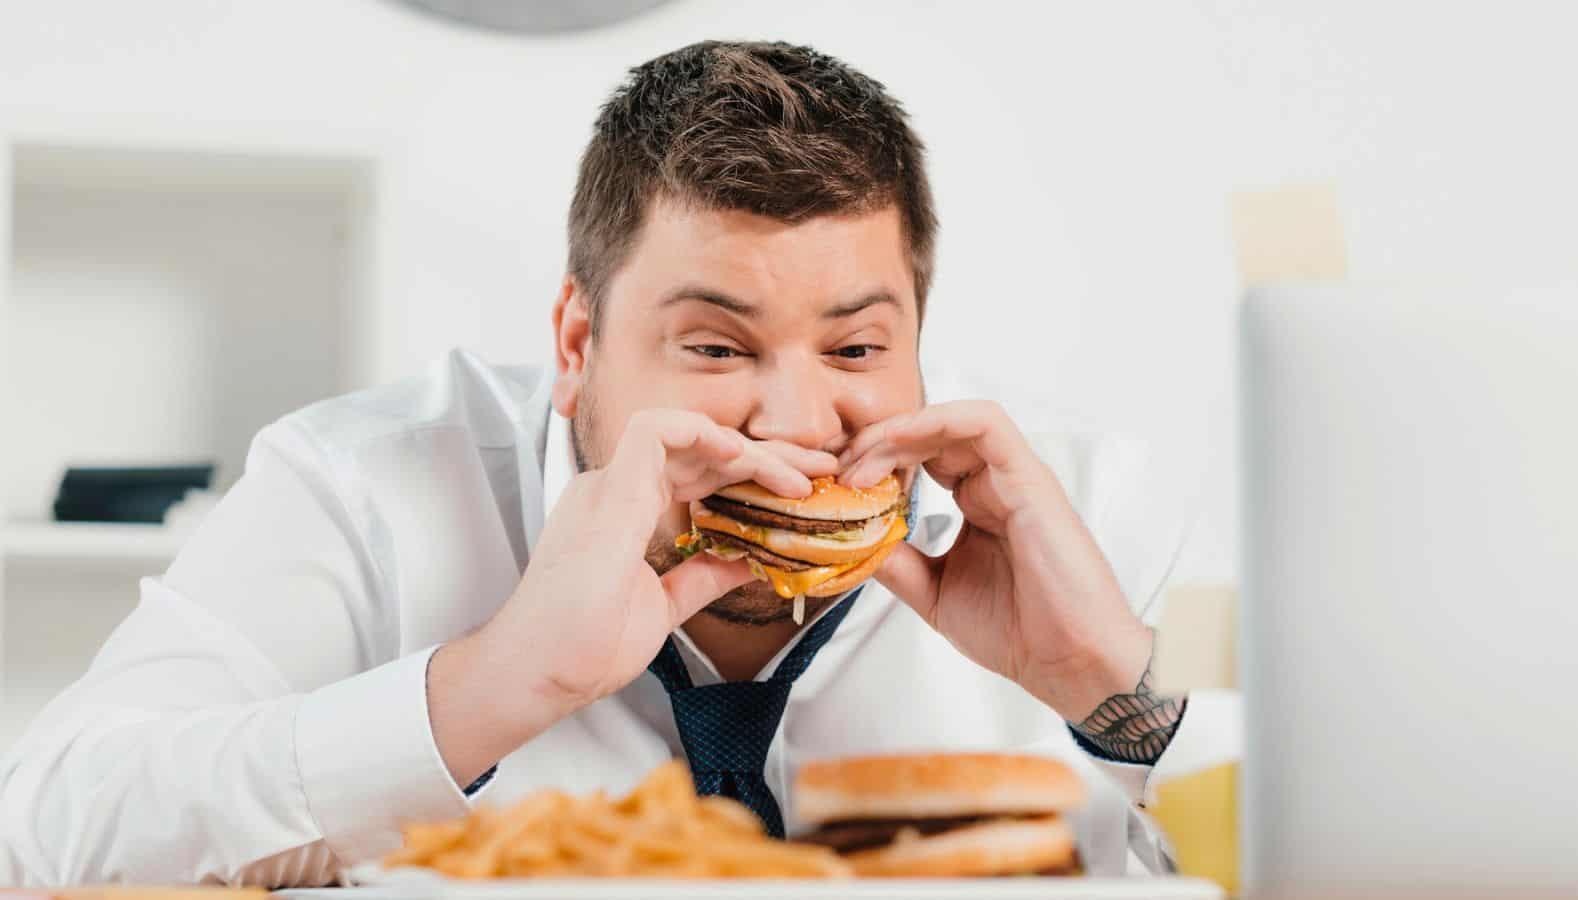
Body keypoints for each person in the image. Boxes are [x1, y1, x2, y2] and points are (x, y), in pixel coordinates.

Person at [0, 40, 1215, 887]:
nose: (797, 422)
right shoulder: (363, 486)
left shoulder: (1078, 509)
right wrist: (487, 689)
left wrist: (1113, 698)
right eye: (713, 344)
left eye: (855, 345)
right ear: (576, 345)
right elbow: (48, 829)